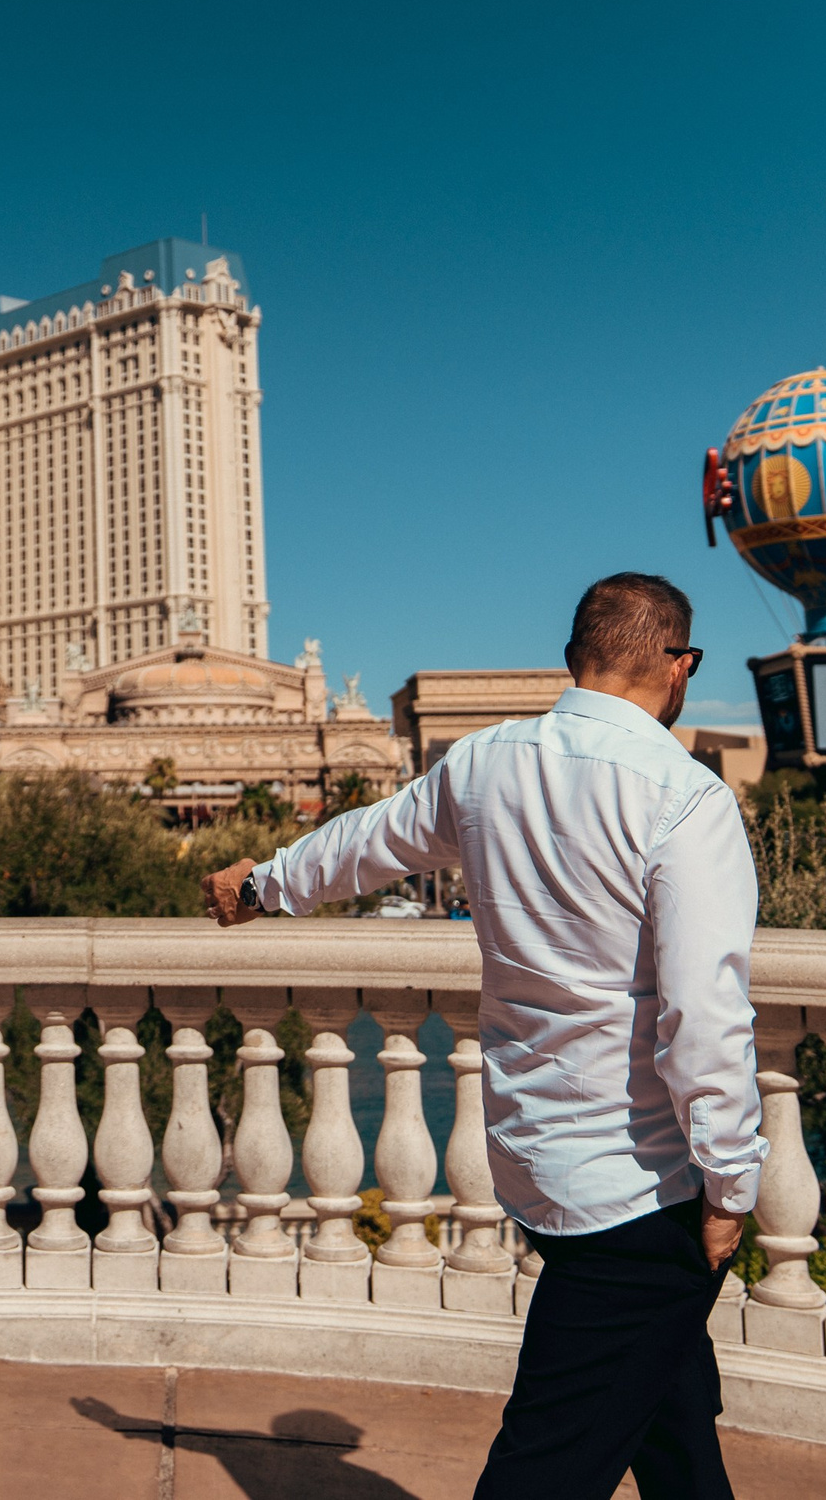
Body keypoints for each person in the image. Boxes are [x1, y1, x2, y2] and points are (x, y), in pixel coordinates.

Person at [202, 573, 764, 1500]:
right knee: (546, 1462)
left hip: (537, 1159)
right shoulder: (686, 798)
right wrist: (732, 1180)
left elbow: (362, 843)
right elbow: (704, 1015)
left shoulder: (485, 763)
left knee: (672, 1421)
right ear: (680, 666)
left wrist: (261, 884)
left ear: (574, 658)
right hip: (642, 1184)